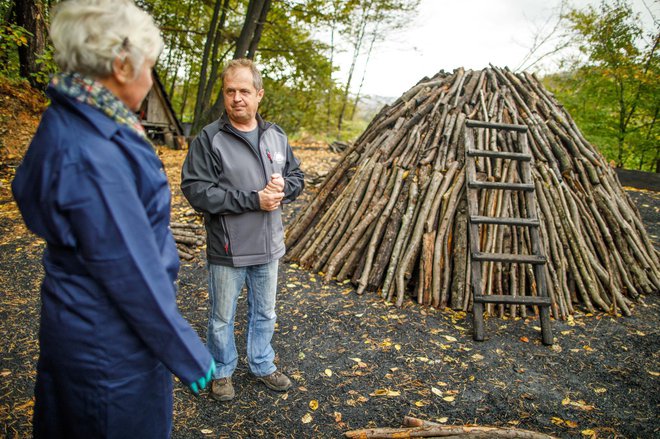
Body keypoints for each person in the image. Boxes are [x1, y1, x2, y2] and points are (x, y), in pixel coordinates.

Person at [11, 0, 214, 437]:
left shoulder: (74, 119)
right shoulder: (92, 154)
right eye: (150, 67)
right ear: (122, 65)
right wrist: (186, 351)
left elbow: (26, 190)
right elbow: (129, 270)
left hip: (83, 322)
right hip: (109, 341)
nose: (149, 78)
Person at [181, 59, 305, 401]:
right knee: (222, 316)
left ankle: (263, 364)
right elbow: (197, 191)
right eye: (230, 91)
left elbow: (297, 177)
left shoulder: (275, 136)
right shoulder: (209, 139)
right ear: (224, 95)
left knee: (265, 311)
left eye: (244, 91)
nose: (237, 98)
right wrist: (254, 199)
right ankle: (222, 370)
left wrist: (284, 190)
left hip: (268, 246)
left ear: (259, 95)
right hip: (227, 247)